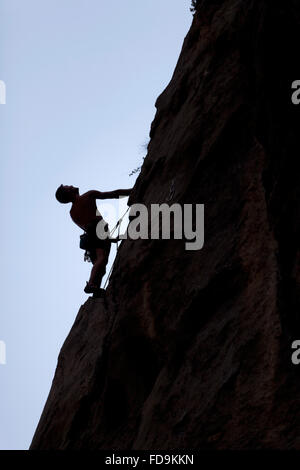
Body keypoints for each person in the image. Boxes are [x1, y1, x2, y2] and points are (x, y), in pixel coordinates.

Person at [55, 185, 132, 294]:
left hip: (90, 237)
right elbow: (113, 194)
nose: (72, 185)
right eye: (69, 186)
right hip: (98, 229)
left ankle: (96, 289)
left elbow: (88, 229)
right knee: (102, 258)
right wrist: (131, 191)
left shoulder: (72, 213)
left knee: (101, 264)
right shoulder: (88, 195)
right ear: (68, 192)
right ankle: (91, 284)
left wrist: (109, 238)